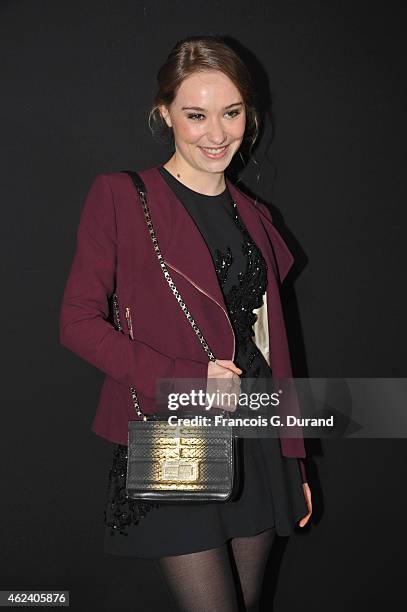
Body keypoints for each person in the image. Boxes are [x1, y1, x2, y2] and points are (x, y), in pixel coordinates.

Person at [59, 35, 312, 612]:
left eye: (232, 113)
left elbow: (273, 345)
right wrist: (184, 376)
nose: (217, 134)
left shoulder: (255, 215)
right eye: (196, 115)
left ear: (250, 114)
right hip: (176, 435)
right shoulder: (123, 198)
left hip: (259, 433)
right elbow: (76, 322)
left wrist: (293, 458)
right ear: (165, 112)